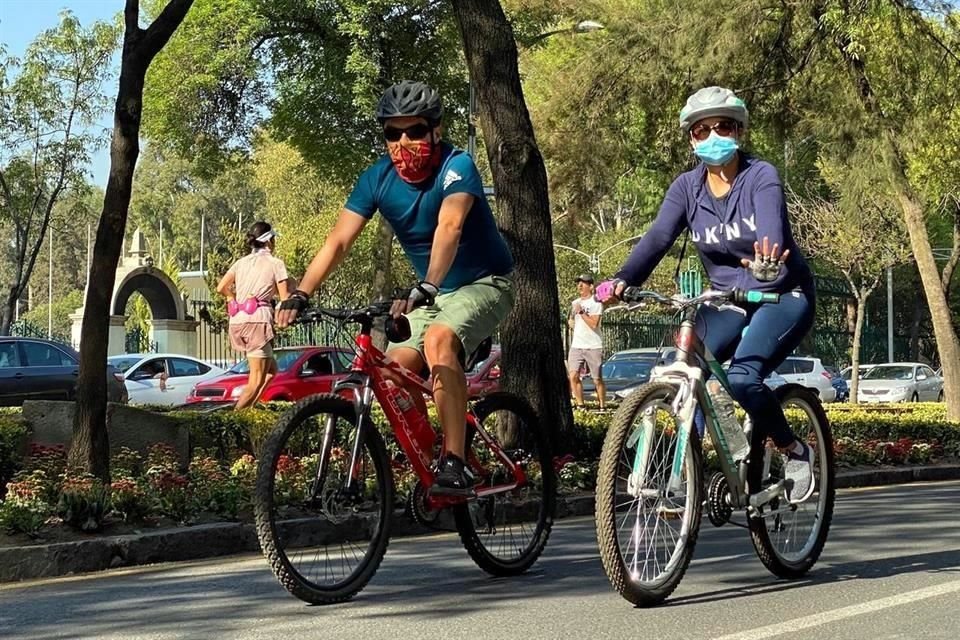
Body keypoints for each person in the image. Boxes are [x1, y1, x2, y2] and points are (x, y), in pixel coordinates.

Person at [277, 80, 515, 495]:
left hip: (483, 284)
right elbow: (338, 242)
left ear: (435, 130)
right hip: (432, 295)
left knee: (440, 341)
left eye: (416, 131)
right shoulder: (377, 179)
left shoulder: (457, 166)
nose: (404, 142)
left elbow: (450, 225)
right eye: (393, 132)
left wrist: (427, 284)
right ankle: (431, 456)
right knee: (391, 374)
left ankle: (454, 463)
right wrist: (302, 293)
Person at [595, 86, 816, 503]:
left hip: (780, 294)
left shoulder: (760, 175)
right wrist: (623, 279)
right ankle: (686, 469)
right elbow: (659, 237)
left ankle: (794, 449)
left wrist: (767, 257)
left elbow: (770, 223)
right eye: (702, 130)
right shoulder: (686, 188)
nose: (713, 136)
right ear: (691, 139)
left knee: (742, 378)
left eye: (724, 126)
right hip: (726, 298)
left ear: (740, 131)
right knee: (680, 364)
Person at [217, 221, 290, 410]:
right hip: (258, 322)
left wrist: (231, 298)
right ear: (270, 241)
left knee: (271, 371)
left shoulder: (240, 263)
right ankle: (234, 420)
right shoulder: (276, 264)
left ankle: (250, 410)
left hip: (238, 321)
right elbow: (285, 298)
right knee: (256, 380)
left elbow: (221, 287)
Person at [567, 273, 606, 410]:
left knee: (597, 379)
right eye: (579, 283)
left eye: (583, 283)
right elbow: (571, 320)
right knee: (573, 375)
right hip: (577, 345)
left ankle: (602, 405)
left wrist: (582, 313)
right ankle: (580, 405)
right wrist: (572, 321)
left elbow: (594, 324)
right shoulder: (575, 303)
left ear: (591, 286)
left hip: (593, 345)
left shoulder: (596, 303)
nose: (580, 286)